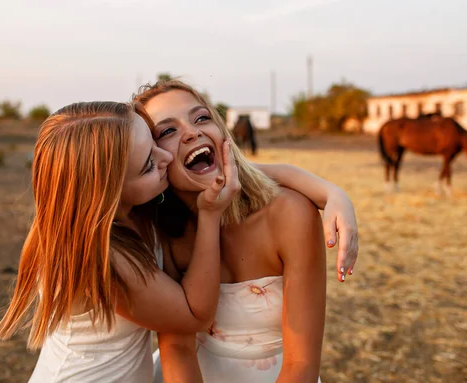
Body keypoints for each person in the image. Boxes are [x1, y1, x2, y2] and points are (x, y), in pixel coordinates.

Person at [0, 101, 241, 382]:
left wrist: (293, 177)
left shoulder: (125, 212)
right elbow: (195, 317)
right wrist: (209, 216)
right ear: (108, 192)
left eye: (154, 140)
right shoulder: (99, 255)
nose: (166, 158)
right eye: (148, 166)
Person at [134, 79, 337, 382]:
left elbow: (302, 364)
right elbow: (177, 347)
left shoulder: (290, 214)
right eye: (168, 131)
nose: (192, 132)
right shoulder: (163, 230)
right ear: (154, 158)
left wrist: (336, 195)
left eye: (201, 117)